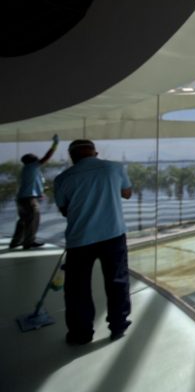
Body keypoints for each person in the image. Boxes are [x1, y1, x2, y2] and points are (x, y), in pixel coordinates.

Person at [53, 139, 133, 345]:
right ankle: (118, 325)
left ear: (72, 157)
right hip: (113, 234)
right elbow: (127, 193)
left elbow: (64, 210)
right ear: (95, 153)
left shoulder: (63, 178)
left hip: (80, 240)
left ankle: (81, 334)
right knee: (117, 280)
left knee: (77, 288)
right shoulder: (114, 168)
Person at [9, 134, 59, 249]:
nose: (38, 158)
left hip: (22, 199)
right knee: (33, 220)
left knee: (23, 221)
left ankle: (16, 241)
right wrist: (55, 144)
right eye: (35, 157)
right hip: (29, 199)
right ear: (32, 161)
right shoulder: (32, 166)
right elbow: (47, 156)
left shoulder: (28, 169)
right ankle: (28, 242)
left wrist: (42, 190)